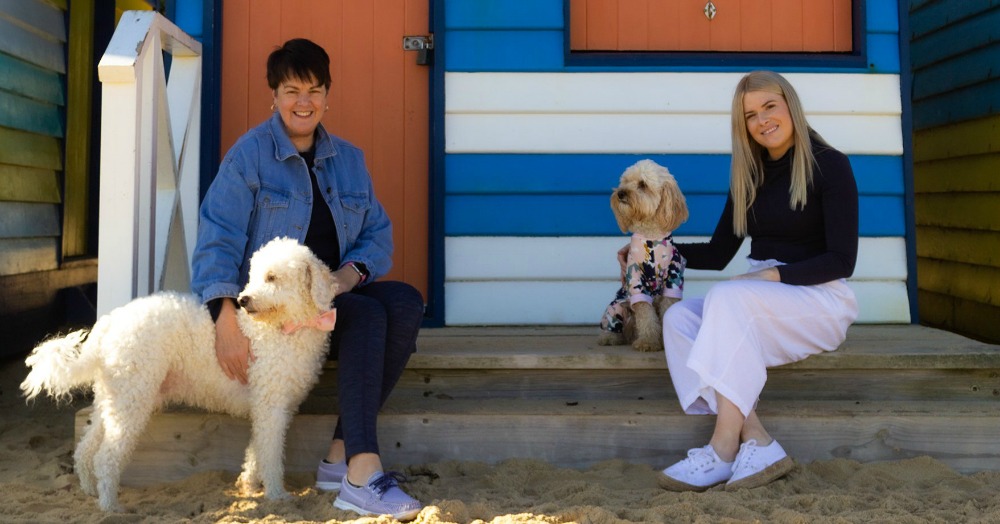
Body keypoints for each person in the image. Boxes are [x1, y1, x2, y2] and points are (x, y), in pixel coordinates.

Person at [191, 38, 424, 520]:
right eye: (292, 89)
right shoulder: (249, 157)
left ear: (327, 96)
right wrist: (224, 317)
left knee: (402, 300)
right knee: (366, 314)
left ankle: (340, 457)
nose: (304, 101)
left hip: (330, 302)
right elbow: (218, 238)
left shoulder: (350, 160)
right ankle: (363, 471)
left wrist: (342, 278)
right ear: (273, 95)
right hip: (277, 320)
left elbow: (377, 236)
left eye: (314, 90)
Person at [652, 70, 859, 491]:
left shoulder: (830, 165)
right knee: (679, 322)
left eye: (769, 107)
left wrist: (773, 274)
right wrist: (658, 250)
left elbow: (842, 260)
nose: (762, 120)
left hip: (817, 299)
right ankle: (759, 439)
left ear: (790, 106)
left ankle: (723, 447)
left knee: (728, 299)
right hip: (756, 299)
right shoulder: (749, 173)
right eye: (750, 114)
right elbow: (718, 252)